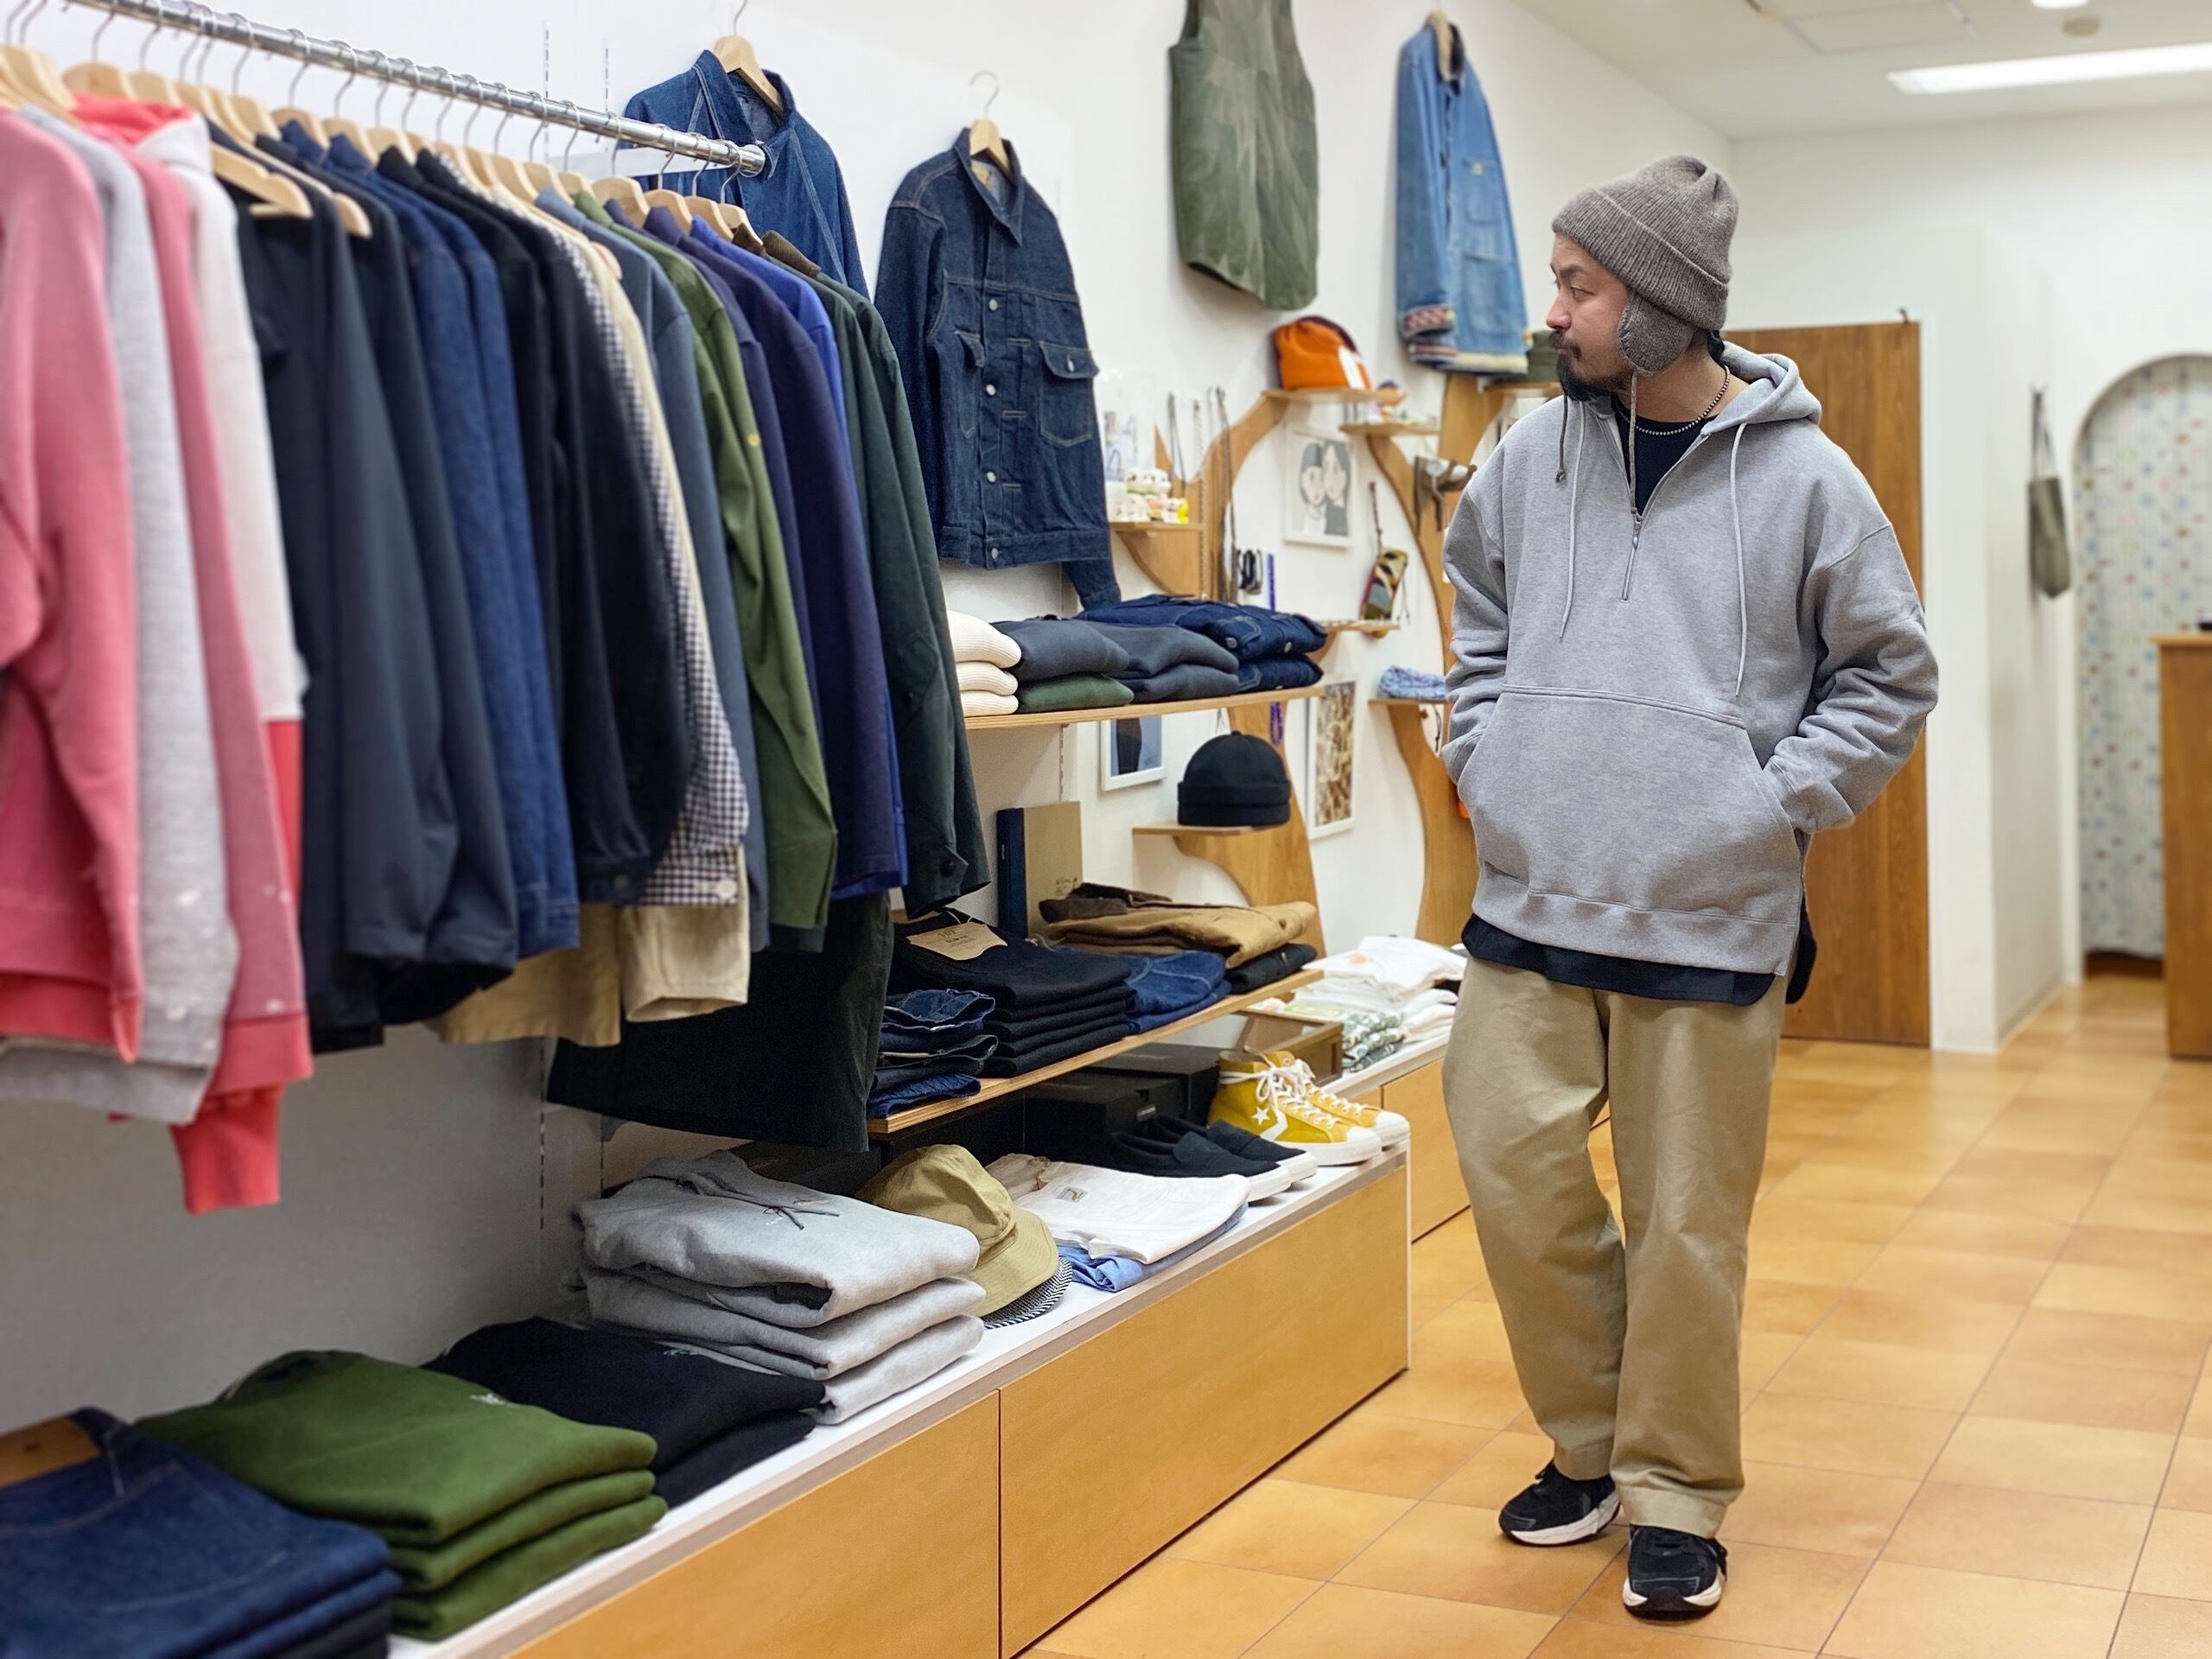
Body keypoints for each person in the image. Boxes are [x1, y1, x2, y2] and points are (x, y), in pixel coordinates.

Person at [1438, 155, 1936, 1620]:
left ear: (1662, 305)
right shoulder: (1529, 455)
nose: (1554, 313)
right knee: (1512, 1177)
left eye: (1578, 287)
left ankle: (1672, 1492)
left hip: (1710, 913)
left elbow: (1890, 674)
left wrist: (1768, 803)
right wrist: (1486, 750)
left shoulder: (1808, 480)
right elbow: (1477, 617)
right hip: (1532, 895)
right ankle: (1591, 1444)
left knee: (1686, 1229)